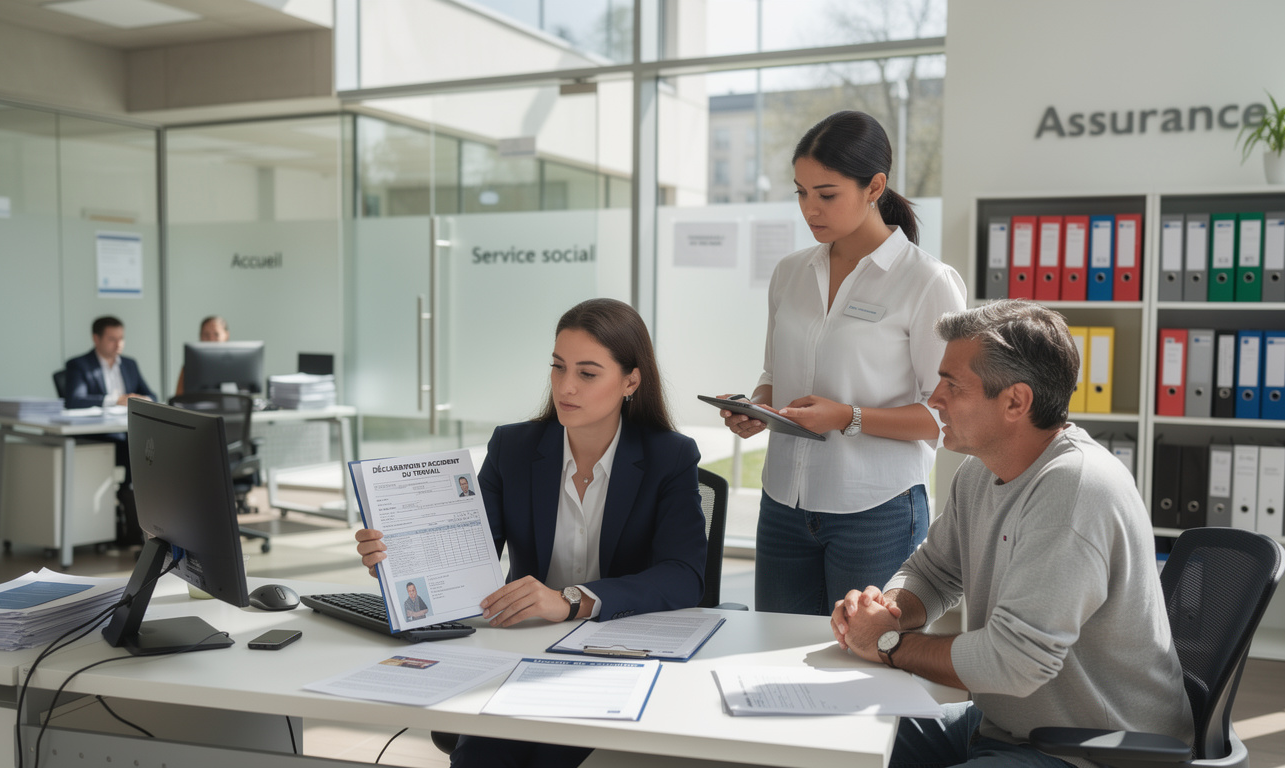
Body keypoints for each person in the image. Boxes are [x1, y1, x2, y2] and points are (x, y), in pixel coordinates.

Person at [829, 300, 1193, 768]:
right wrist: (888, 611)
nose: (934, 398)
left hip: (1090, 750)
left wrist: (888, 644)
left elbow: (1014, 661)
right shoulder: (979, 472)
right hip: (1003, 726)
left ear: (1015, 401)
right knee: (832, 744)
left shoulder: (1075, 488)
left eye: (952, 385)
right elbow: (935, 572)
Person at [356, 297, 707, 768]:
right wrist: (399, 554)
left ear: (630, 381)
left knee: (557, 753)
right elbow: (470, 550)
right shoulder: (514, 448)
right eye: (558, 367)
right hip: (523, 650)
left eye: (587, 373)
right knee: (486, 755)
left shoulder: (670, 456)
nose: (566, 386)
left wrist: (572, 600)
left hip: (621, 651)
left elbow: (685, 575)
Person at [718, 110, 966, 616]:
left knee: (863, 668)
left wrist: (847, 417)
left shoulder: (927, 282)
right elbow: (774, 376)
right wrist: (755, 407)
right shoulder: (790, 272)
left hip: (876, 511)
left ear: (875, 187)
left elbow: (948, 415)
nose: (810, 209)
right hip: (783, 503)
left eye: (826, 194)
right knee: (774, 659)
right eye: (801, 193)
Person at [63, 315, 158, 546]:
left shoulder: (130, 364)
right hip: (98, 437)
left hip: (127, 432)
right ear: (96, 339)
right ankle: (135, 527)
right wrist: (115, 400)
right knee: (136, 452)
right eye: (112, 339)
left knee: (151, 448)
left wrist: (141, 398)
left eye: (121, 339)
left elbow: (152, 395)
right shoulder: (78, 365)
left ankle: (146, 525)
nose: (118, 345)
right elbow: (74, 400)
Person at [174, 315, 229, 395]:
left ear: (226, 335)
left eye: (216, 334)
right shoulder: (190, 365)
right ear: (200, 336)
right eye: (206, 335)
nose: (211, 340)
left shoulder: (239, 363)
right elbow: (179, 396)